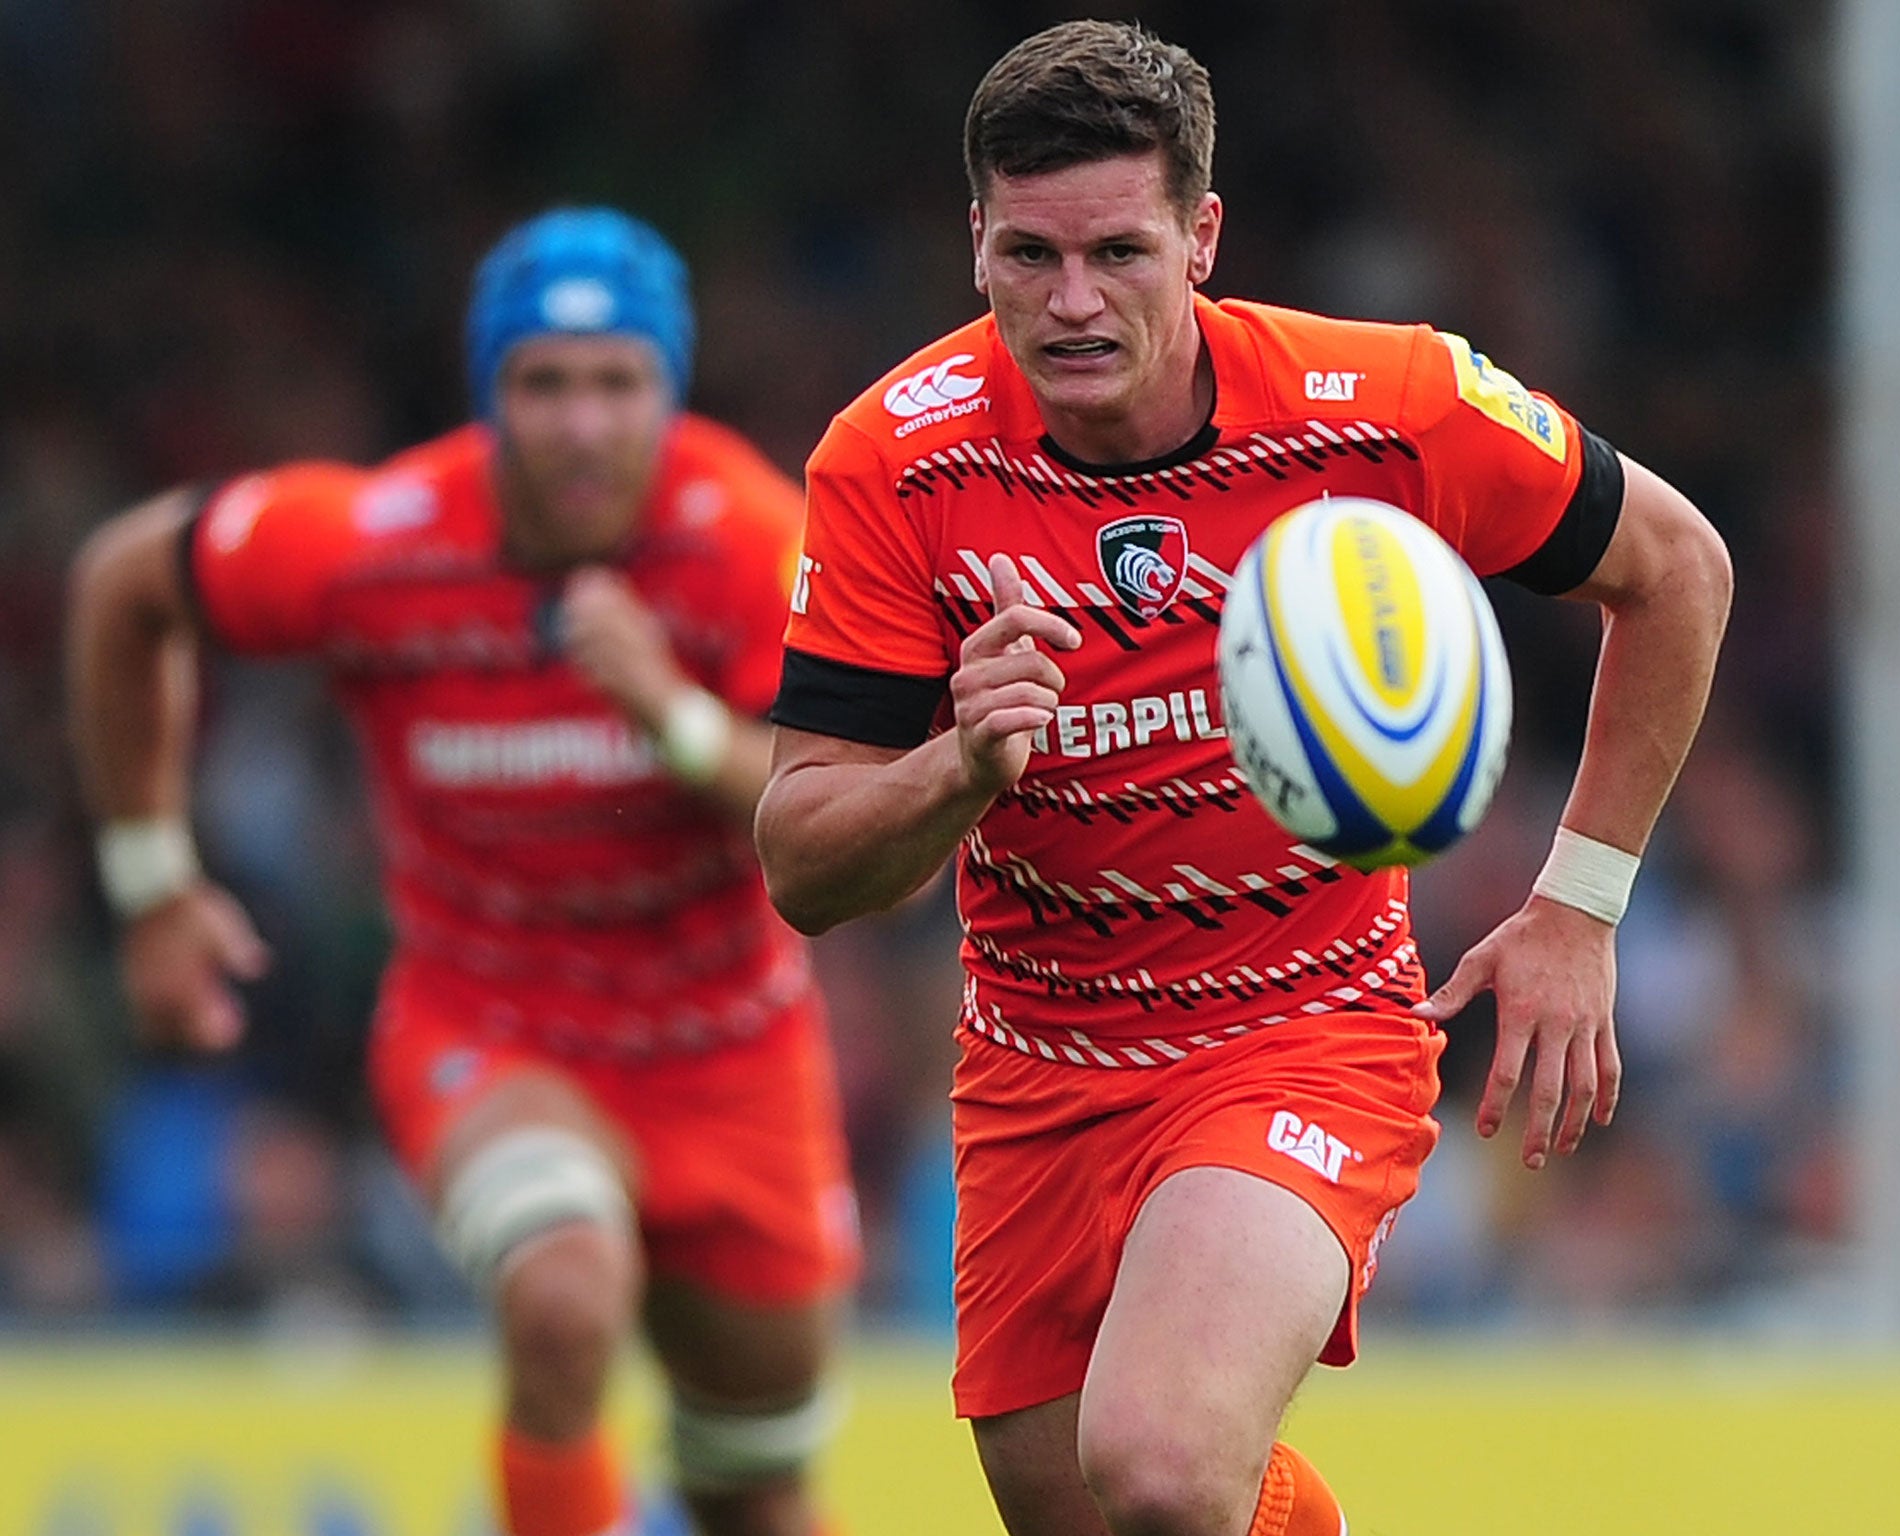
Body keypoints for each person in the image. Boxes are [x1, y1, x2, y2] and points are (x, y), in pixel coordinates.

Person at [754, 20, 1732, 1536]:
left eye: (1120, 254)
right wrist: (954, 769)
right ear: (976, 245)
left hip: (1302, 1028)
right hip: (1037, 1063)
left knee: (1155, 1462)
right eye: (1029, 256)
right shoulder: (893, 462)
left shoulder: (1383, 404)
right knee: (1106, 1506)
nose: (1072, 303)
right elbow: (805, 864)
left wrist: (1580, 901)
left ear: (1202, 236)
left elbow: (1677, 570)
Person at [68, 207, 858, 1536]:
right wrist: (151, 887)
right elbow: (122, 583)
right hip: (491, 1030)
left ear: (668, 391)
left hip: (731, 1058)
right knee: (563, 1296)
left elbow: (832, 818)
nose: (583, 424)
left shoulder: (748, 541)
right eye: (543, 383)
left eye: (619, 384)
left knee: (755, 1484)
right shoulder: (384, 541)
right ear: (490, 392)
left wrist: (665, 712)